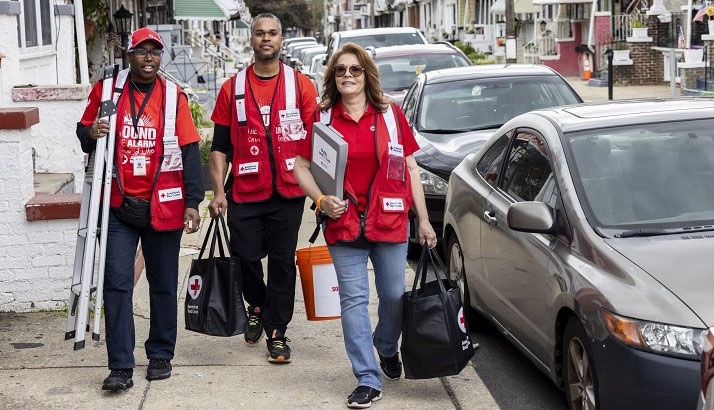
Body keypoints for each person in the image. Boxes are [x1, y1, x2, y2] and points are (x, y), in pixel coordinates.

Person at [293, 43, 437, 409]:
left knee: (392, 296)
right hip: (343, 225)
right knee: (354, 301)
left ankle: (386, 346)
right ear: (332, 77)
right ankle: (367, 378)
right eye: (340, 71)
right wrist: (321, 200)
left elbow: (410, 168)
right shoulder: (324, 118)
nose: (347, 76)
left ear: (366, 75)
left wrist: (423, 219)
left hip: (388, 221)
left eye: (355, 70)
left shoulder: (389, 114)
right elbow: (300, 167)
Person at [76, 27, 203, 391]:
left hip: (164, 205)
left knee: (163, 284)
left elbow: (190, 148)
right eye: (141, 51)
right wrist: (92, 132)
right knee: (116, 283)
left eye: (155, 52)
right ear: (128, 56)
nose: (149, 58)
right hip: (118, 205)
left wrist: (193, 202)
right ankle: (120, 365)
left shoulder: (173, 95)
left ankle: (161, 354)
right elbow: (83, 132)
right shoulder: (107, 90)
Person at [207, 13, 318, 363]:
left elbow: (318, 143)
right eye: (259, 33)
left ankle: (276, 331)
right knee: (244, 257)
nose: (266, 39)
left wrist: (320, 191)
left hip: (288, 191)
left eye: (272, 33)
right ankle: (256, 303)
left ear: (281, 39)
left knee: (283, 263)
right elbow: (220, 146)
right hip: (244, 191)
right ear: (251, 40)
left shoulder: (301, 85)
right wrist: (218, 192)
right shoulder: (232, 87)